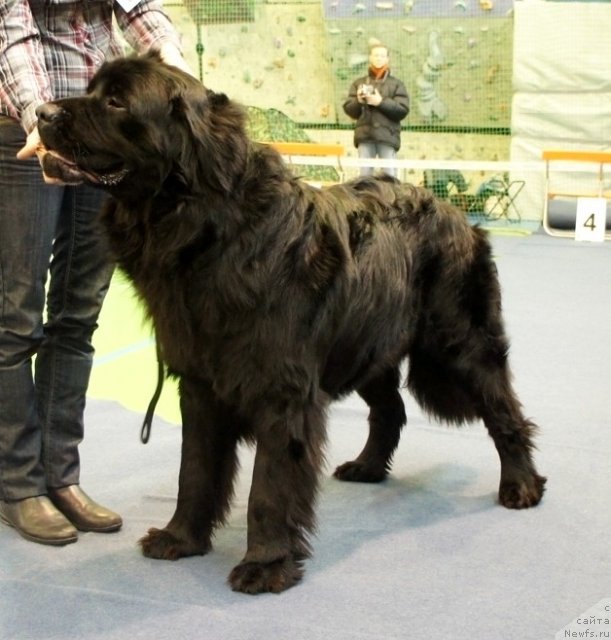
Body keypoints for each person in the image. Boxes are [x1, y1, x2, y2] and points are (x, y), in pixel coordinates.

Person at [0, 0, 191, 546]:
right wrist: (39, 114)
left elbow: (141, 8)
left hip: (103, 132)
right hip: (22, 127)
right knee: (15, 317)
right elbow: (12, 35)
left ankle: (62, 476)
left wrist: (173, 64)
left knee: (78, 313)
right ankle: (18, 485)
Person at [343, 43, 410, 178]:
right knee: (364, 177)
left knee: (389, 177)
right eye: (376, 55)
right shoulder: (359, 83)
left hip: (388, 137)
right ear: (370, 58)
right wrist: (359, 101)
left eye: (382, 55)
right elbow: (349, 109)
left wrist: (380, 102)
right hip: (365, 137)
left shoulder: (397, 84)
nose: (379, 58)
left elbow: (402, 110)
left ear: (387, 59)